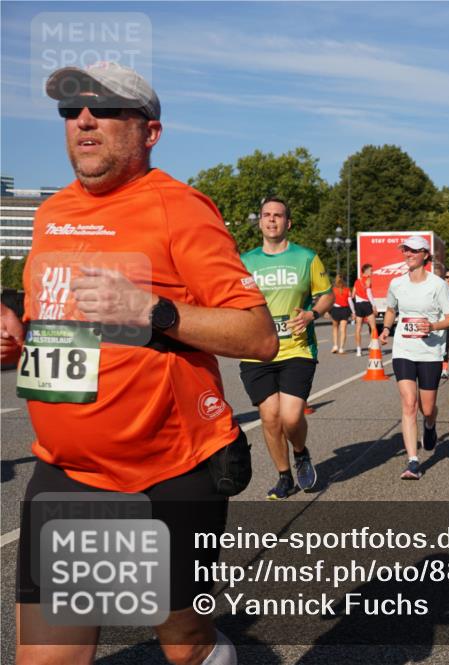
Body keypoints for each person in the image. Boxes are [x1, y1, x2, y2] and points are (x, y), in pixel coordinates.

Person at [9, 62, 277, 665]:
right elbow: (55, 319)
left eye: (104, 109)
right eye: (71, 110)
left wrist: (152, 309)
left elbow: (258, 335)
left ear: (149, 131)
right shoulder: (51, 213)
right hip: (68, 473)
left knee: (184, 646)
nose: (83, 120)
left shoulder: (179, 209)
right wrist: (14, 327)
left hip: (166, 471)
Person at [239, 196, 334, 499]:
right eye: (266, 215)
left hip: (297, 348)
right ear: (260, 222)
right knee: (269, 417)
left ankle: (301, 452)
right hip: (257, 350)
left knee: (291, 417)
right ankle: (284, 476)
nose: (271, 220)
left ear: (287, 222)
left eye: (278, 215)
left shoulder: (306, 257)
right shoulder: (245, 261)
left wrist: (312, 314)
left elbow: (327, 296)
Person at [379, 236, 449, 480]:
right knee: (409, 403)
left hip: (430, 351)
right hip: (404, 350)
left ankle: (430, 424)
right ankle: (413, 461)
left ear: (425, 255)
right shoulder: (397, 284)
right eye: (405, 250)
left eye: (413, 250)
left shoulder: (438, 285)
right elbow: (391, 310)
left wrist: (432, 326)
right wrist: (386, 330)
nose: (408, 254)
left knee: (427, 407)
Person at [352, 263, 377, 356]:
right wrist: (374, 305)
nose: (372, 272)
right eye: (371, 270)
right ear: (366, 271)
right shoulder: (368, 279)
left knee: (358, 328)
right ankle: (372, 344)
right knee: (373, 327)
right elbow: (369, 293)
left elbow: (353, 295)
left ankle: (358, 350)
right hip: (366, 304)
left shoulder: (357, 281)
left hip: (358, 305)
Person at [328, 273, 352, 354]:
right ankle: (341, 348)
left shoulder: (333, 290)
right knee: (343, 329)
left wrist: (327, 311)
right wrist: (354, 312)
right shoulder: (347, 289)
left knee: (335, 328)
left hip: (335, 310)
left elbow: (329, 301)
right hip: (345, 310)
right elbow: (350, 301)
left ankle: (335, 346)